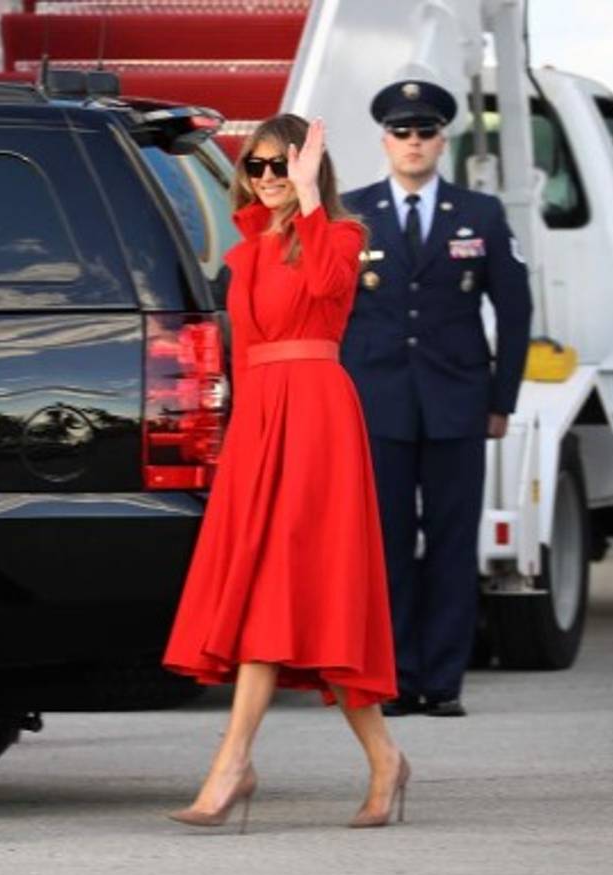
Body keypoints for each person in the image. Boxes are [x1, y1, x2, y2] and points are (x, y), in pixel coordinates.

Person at [164, 114, 409, 831]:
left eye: (283, 164)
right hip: (261, 423)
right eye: (259, 165)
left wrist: (308, 196)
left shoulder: (340, 234)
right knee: (282, 592)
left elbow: (333, 287)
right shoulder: (242, 254)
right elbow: (241, 352)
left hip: (317, 419)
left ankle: (231, 764)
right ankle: (385, 757)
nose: (268, 176)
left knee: (290, 586)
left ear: (308, 168)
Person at [341, 81, 533, 718]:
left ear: (442, 139)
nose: (413, 143)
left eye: (424, 132)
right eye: (402, 132)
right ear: (385, 140)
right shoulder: (352, 213)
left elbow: (513, 308)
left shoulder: (479, 213)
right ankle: (395, 677)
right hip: (377, 404)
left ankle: (444, 681)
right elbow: (333, 311)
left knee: (452, 543)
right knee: (387, 544)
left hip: (457, 402)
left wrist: (501, 398)